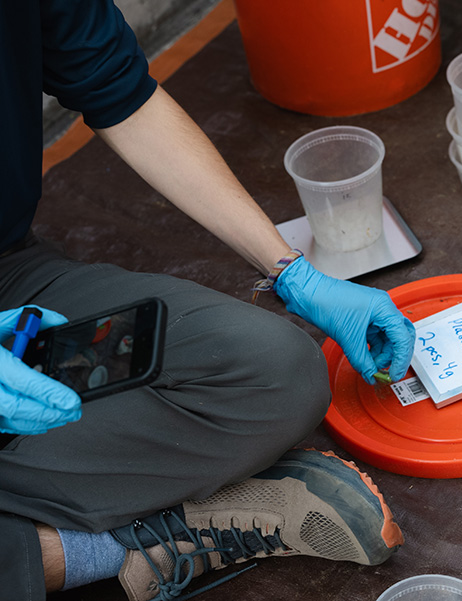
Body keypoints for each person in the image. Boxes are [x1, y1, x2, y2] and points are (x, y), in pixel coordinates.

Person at [0, 2, 415, 601]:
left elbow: (121, 93)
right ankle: (131, 542)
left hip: (11, 274)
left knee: (277, 373)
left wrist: (292, 271)